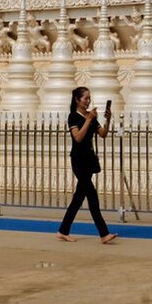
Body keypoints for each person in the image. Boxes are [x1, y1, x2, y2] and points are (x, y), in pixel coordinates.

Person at [58, 85, 117, 243]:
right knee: (92, 195)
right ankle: (104, 233)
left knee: (78, 198)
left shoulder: (91, 116)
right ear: (77, 100)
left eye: (89, 98)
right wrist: (89, 119)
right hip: (78, 160)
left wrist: (108, 119)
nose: (88, 101)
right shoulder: (73, 116)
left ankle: (63, 230)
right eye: (85, 98)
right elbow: (77, 137)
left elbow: (102, 134)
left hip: (89, 160)